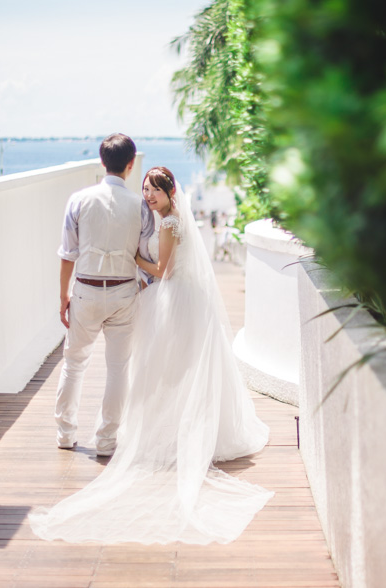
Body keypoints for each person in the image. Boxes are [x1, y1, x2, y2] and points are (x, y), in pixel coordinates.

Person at [29, 166, 272, 545]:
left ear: (170, 191)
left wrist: (129, 259)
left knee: (161, 368)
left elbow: (163, 269)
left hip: (175, 299)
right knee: (164, 368)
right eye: (144, 188)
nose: (147, 196)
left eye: (154, 191)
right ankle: (172, 427)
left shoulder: (169, 224)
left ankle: (161, 430)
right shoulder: (168, 219)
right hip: (180, 297)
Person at [53, 134, 154, 457]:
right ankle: (107, 441)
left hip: (86, 289)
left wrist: (63, 297)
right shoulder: (140, 206)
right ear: (130, 164)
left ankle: (65, 434)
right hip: (124, 291)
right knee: (118, 368)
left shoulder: (78, 200)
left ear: (101, 162)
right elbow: (146, 256)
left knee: (74, 363)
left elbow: (67, 254)